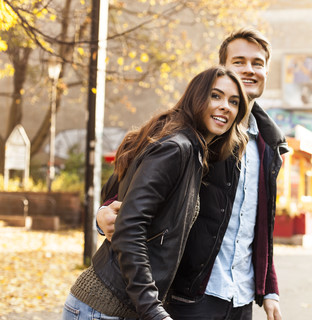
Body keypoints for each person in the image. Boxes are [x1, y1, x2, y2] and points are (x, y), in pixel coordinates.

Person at [97, 27, 288, 320]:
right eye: (239, 61)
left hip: (241, 298)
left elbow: (258, 224)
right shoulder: (201, 129)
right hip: (188, 296)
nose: (249, 70)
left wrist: (269, 288)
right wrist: (103, 212)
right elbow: (128, 179)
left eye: (257, 63)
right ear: (222, 68)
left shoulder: (270, 143)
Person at [62, 66, 249, 320]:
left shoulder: (187, 146)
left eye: (234, 101)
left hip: (119, 307)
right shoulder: (176, 148)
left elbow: (119, 196)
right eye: (216, 96)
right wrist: (153, 310)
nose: (225, 106)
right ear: (196, 97)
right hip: (103, 308)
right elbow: (130, 228)